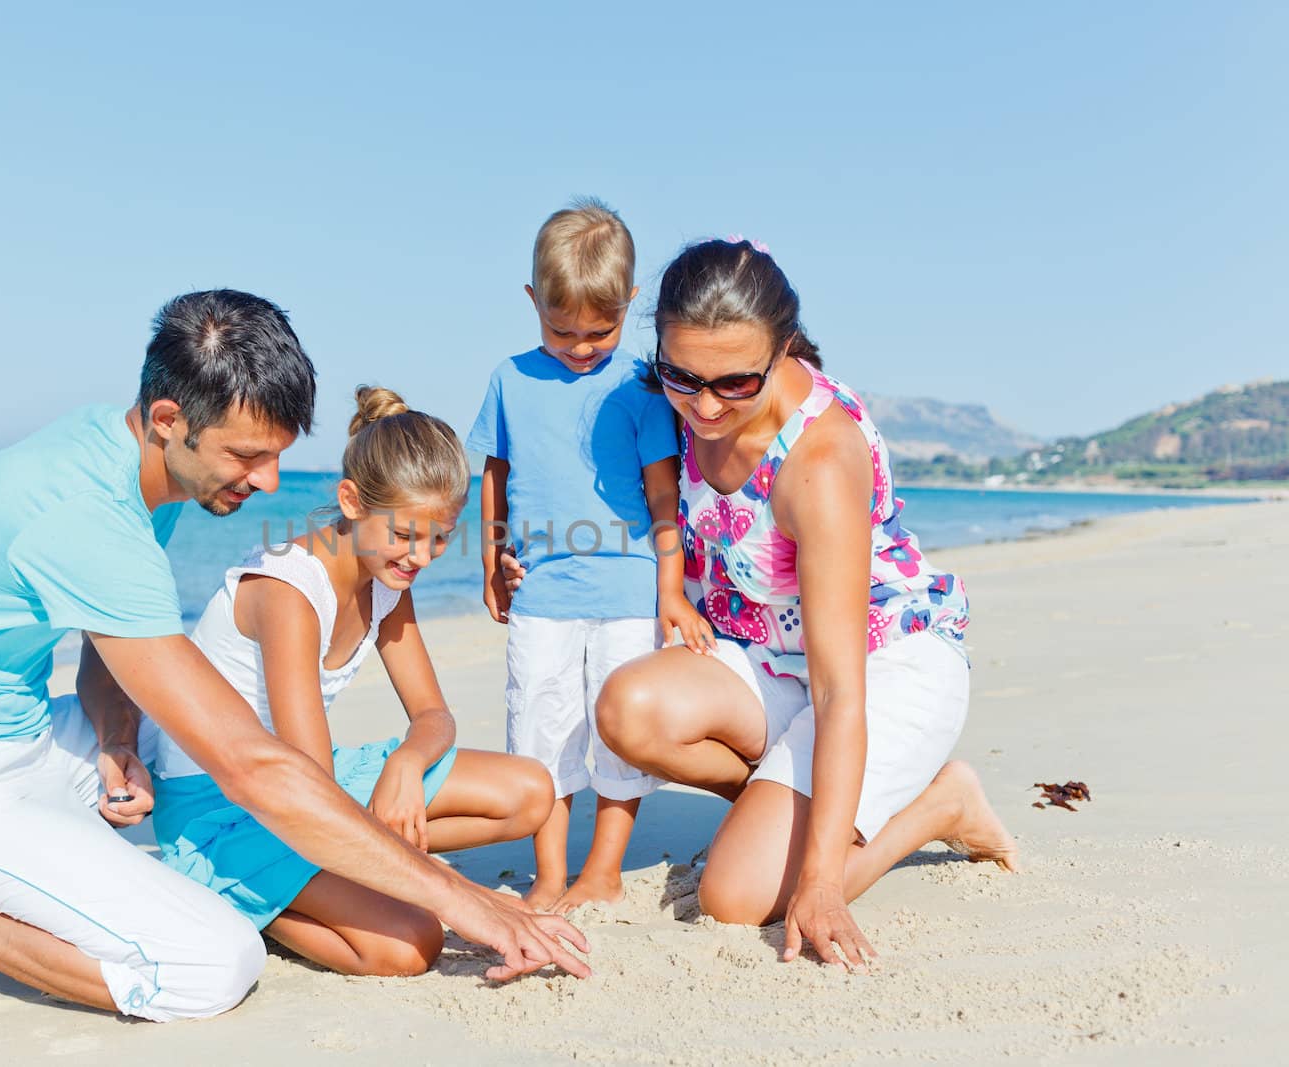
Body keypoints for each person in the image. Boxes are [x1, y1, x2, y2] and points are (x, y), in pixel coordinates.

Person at [0, 289, 589, 1024]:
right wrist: (465, 901)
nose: (269, 479)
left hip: (28, 730)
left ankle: (194, 855)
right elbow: (258, 764)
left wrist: (117, 736)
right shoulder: (88, 514)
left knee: (184, 760)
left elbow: (101, 640)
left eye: (278, 453)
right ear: (167, 418)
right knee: (211, 967)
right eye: (248, 454)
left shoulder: (122, 463)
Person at [582, 238, 1018, 969]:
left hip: (883, 665)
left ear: (783, 349)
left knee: (732, 896)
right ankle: (783, 807)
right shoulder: (677, 397)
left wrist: (820, 884)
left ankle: (944, 803)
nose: (707, 405)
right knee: (627, 709)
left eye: (736, 383)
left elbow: (840, 687)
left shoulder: (817, 460)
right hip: (768, 659)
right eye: (683, 376)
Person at [152, 386, 554, 976]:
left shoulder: (386, 577)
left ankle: (328, 879)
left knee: (530, 791)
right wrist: (452, 891)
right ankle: (235, 891)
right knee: (409, 945)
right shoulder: (289, 591)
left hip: (305, 781)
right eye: (406, 535)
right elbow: (307, 781)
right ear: (351, 501)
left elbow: (435, 716)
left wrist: (407, 764)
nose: (421, 557)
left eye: (439, 538)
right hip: (223, 809)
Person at [467, 200, 715, 913]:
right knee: (539, 731)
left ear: (630, 304)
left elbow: (663, 498)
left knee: (616, 734)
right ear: (531, 301)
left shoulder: (640, 385)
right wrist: (491, 559)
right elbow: (496, 475)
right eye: (561, 329)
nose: (580, 346)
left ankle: (602, 867)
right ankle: (549, 873)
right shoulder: (510, 380)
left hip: (629, 591)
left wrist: (672, 592)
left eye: (599, 331)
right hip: (543, 593)